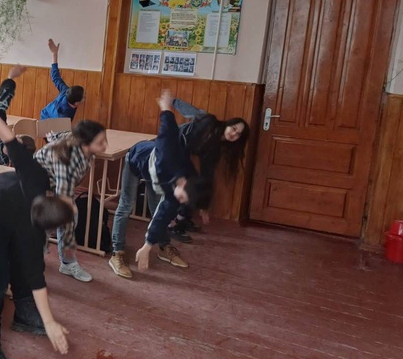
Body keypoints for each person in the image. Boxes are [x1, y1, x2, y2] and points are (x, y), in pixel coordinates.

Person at [0, 79, 71, 359]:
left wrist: (49, 321)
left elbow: (36, 276)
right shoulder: (34, 177)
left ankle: (25, 313)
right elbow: (7, 137)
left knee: (24, 263)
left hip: (11, 212)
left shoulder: (36, 223)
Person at [108, 90, 212, 279]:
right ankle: (117, 252)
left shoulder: (180, 188)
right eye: (182, 196)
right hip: (136, 160)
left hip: (158, 174)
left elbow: (161, 216)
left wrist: (147, 246)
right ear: (182, 184)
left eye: (183, 200)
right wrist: (165, 107)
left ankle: (163, 247)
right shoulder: (167, 154)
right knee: (125, 205)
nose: (179, 199)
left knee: (159, 208)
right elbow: (168, 130)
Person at [33, 120, 108, 282]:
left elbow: (60, 136)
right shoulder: (67, 159)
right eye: (100, 142)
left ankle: (67, 263)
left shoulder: (81, 144)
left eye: (105, 140)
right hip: (36, 183)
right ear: (85, 143)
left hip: (57, 183)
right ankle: (34, 263)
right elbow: (63, 195)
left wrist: (52, 138)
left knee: (69, 219)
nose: (105, 146)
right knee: (49, 221)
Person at [168, 98, 249, 242]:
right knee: (185, 185)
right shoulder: (209, 121)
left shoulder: (215, 149)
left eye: (238, 134)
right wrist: (172, 101)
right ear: (227, 124)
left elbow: (207, 175)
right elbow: (190, 111)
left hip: (182, 154)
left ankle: (182, 219)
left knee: (197, 184)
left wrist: (204, 206)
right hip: (170, 146)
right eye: (233, 128)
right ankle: (171, 225)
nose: (234, 134)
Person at [39, 39, 84, 120]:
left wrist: (54, 54)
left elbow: (55, 77)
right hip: (48, 120)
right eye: (83, 97)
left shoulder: (65, 90)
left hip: (47, 114)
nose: (85, 98)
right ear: (76, 103)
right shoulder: (63, 116)